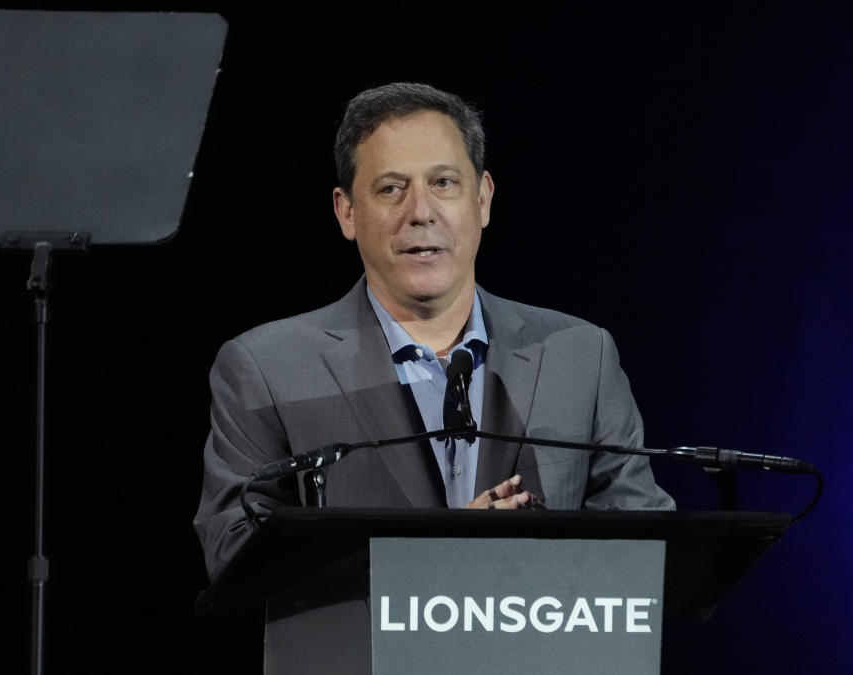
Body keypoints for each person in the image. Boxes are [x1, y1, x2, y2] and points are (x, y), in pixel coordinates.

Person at [194, 82, 674, 583]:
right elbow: (234, 555)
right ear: (347, 212)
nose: (420, 212)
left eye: (443, 182)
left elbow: (647, 550)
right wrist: (436, 555)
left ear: (483, 199)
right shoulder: (268, 368)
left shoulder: (580, 356)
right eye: (390, 188)